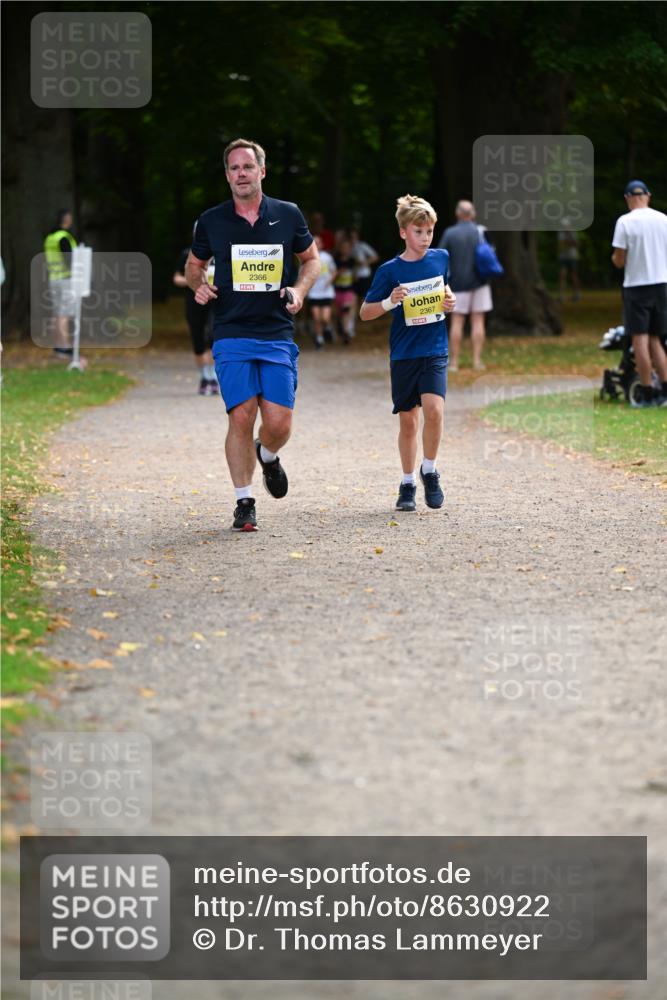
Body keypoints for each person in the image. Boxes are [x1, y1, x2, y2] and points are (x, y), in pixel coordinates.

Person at [185, 138, 320, 531]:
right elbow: (195, 265)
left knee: (278, 424)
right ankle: (244, 502)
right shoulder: (212, 220)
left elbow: (311, 260)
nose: (240, 174)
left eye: (247, 167)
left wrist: (298, 290)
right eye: (233, 168)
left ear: (262, 170)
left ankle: (269, 454)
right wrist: (199, 284)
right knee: (241, 415)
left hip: (277, 331)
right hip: (231, 331)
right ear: (227, 175)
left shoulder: (288, 215)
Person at [359, 194, 456, 513]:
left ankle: (429, 469)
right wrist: (390, 302)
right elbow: (364, 313)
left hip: (434, 348)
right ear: (403, 232)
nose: (425, 238)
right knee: (409, 422)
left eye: (429, 231)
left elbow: (446, 291)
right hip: (404, 353)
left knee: (435, 410)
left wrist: (449, 300)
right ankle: (407, 482)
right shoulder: (389, 270)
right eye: (419, 231)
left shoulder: (441, 257)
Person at [611, 180, 667, 408]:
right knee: (657, 339)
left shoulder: (625, 222)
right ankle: (665, 387)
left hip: (637, 287)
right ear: (648, 195)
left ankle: (647, 391)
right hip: (662, 284)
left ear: (627, 198)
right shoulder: (664, 219)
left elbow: (620, 259)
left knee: (640, 339)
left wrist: (615, 260)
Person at [438, 200, 492, 372]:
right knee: (478, 321)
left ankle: (454, 363)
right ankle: (477, 361)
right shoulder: (480, 231)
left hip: (457, 284)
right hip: (480, 283)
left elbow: (441, 258)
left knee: (457, 322)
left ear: (458, 214)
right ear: (473, 214)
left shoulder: (450, 233)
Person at [173, 247, 218, 394]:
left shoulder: (221, 250)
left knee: (213, 336)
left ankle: (213, 377)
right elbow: (177, 278)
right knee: (197, 338)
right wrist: (193, 278)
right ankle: (205, 377)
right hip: (194, 301)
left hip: (215, 301)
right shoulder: (188, 254)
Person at [43, 209, 81, 363]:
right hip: (66, 279)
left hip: (54, 278)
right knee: (64, 314)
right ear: (68, 220)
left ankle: (58, 346)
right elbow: (69, 259)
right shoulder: (64, 237)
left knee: (57, 313)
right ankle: (65, 347)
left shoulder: (50, 238)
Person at [306, 235, 336, 348]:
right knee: (316, 318)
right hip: (314, 293)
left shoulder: (327, 257)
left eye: (318, 243)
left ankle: (328, 328)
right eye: (314, 242)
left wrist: (330, 280)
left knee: (325, 318)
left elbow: (334, 271)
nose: (316, 245)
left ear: (322, 244)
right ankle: (319, 338)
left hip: (326, 292)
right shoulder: (307, 258)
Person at [333, 235, 357, 343]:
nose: (345, 249)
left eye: (347, 247)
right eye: (343, 247)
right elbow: (332, 276)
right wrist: (338, 273)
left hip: (349, 290)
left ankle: (347, 331)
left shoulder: (353, 261)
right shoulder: (335, 261)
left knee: (346, 310)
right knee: (339, 313)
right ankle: (342, 330)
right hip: (337, 290)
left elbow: (355, 277)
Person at [350, 227, 379, 301]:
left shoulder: (362, 246)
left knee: (363, 298)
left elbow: (375, 257)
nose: (352, 238)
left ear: (357, 236)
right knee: (353, 298)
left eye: (354, 236)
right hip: (351, 276)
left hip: (364, 275)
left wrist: (365, 263)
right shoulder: (347, 246)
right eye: (351, 236)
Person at [557, 218, 581, 302]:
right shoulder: (561, 233)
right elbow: (563, 244)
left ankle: (576, 294)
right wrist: (570, 241)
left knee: (573, 276)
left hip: (572, 257)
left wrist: (570, 239)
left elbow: (576, 244)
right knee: (562, 275)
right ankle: (561, 295)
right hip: (563, 257)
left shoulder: (573, 233)